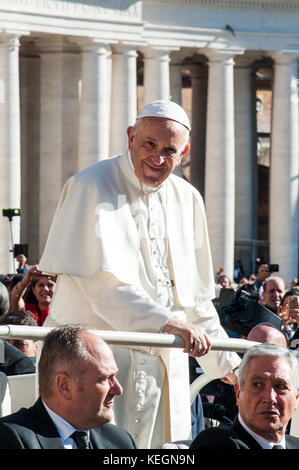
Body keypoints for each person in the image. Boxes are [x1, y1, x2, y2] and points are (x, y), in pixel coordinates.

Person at [38, 99, 241, 448]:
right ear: (131, 136)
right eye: (149, 144)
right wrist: (168, 323)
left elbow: (194, 300)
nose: (158, 159)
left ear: (184, 152)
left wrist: (230, 366)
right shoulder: (90, 185)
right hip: (100, 365)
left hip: (166, 370)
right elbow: (101, 287)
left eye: (169, 151)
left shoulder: (188, 198)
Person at [0, 324, 136, 449]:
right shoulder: (10, 438)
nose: (118, 389)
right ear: (64, 386)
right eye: (105, 379)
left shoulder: (120, 441)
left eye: (115, 376)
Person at [190, 343, 299, 449]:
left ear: (296, 397)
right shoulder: (215, 443)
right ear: (238, 393)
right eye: (257, 385)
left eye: (280, 386)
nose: (270, 398)